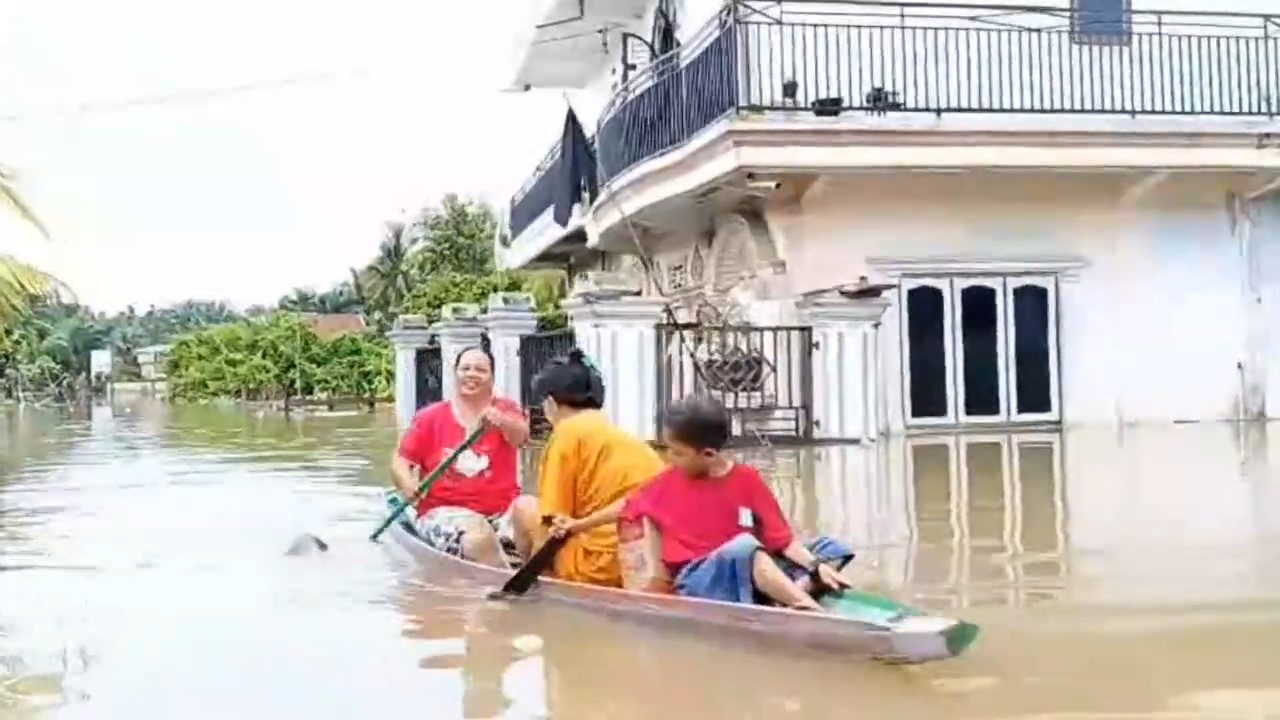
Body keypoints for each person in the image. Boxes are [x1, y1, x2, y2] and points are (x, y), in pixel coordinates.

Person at [617, 395, 855, 609]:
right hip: (701, 579)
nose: (669, 458)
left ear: (709, 454)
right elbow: (626, 506)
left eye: (678, 453)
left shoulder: (748, 480)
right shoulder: (667, 481)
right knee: (745, 547)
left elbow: (782, 540)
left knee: (829, 548)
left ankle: (789, 594)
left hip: (751, 566)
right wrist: (580, 525)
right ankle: (806, 605)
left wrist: (815, 566)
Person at [512, 349, 665, 587]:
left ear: (550, 403)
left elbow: (551, 524)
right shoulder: (626, 437)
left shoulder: (566, 434)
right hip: (645, 562)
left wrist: (524, 580)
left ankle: (545, 585)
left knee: (523, 507)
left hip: (597, 567)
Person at [392, 345, 533, 567]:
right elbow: (402, 461)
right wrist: (408, 485)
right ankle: (504, 583)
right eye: (465, 368)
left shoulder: (507, 409)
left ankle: (532, 572)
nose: (471, 374)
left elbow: (522, 438)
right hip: (443, 511)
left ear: (492, 378)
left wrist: (500, 420)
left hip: (502, 511)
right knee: (479, 537)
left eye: (480, 369)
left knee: (534, 511)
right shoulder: (429, 418)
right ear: (455, 374)